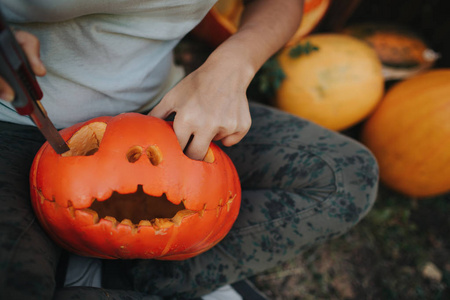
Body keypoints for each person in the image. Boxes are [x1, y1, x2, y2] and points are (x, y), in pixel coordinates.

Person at [0, 0, 379, 299]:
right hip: (17, 124)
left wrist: (234, 63)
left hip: (172, 111)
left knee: (344, 177)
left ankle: (129, 273)